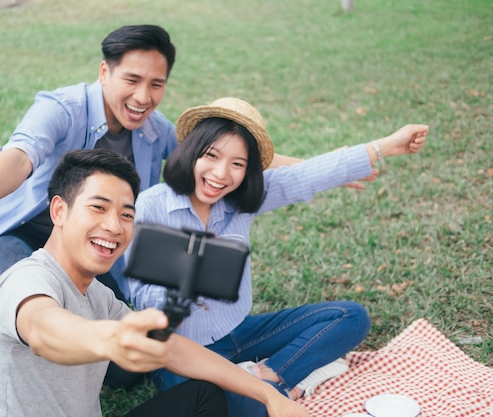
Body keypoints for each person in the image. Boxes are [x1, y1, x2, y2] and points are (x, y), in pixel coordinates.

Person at [0, 24, 307, 312]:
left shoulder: (156, 130)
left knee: (123, 369)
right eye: (132, 80)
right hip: (23, 235)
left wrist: (312, 167)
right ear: (104, 73)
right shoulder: (62, 108)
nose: (144, 97)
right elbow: (19, 156)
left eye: (156, 85)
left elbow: (223, 154)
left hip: (95, 244)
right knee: (34, 297)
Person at [126, 97, 429, 417]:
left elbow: (306, 176)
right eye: (211, 155)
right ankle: (283, 387)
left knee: (350, 316)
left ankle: (268, 375)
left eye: (237, 164)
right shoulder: (152, 206)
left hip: (238, 332)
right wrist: (186, 280)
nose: (220, 173)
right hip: (181, 352)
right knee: (251, 409)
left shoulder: (240, 201)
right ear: (191, 152)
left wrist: (384, 147)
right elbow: (140, 296)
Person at [0, 148, 310, 417]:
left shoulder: (98, 296)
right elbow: (43, 330)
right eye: (98, 208)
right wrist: (110, 339)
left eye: (127, 214)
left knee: (202, 396)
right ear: (59, 211)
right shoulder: (27, 279)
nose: (115, 227)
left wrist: (267, 394)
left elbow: (174, 350)